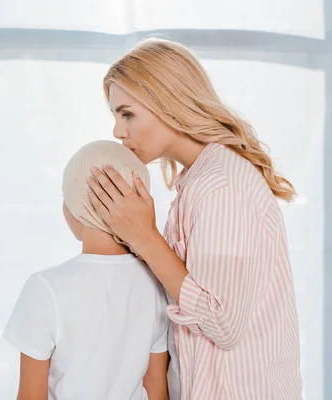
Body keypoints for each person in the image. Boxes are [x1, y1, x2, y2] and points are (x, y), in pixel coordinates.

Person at [87, 38, 303, 399]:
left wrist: (145, 237)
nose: (117, 131)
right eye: (115, 116)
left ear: (168, 102)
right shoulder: (200, 181)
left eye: (127, 114)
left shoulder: (220, 187)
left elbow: (222, 322)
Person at [3, 140, 170, 400]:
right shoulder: (156, 283)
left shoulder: (46, 288)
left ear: (75, 208)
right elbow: (156, 384)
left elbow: (30, 395)